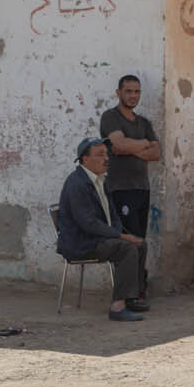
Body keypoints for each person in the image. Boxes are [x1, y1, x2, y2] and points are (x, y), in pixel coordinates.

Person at [53, 136, 149, 322]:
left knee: (139, 244)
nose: (106, 158)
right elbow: (88, 223)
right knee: (127, 248)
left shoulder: (99, 180)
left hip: (96, 237)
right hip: (81, 243)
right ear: (85, 160)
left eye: (106, 154)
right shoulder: (77, 184)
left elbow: (112, 214)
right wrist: (121, 236)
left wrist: (122, 233)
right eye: (99, 155)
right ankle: (117, 307)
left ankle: (132, 297)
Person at [99, 74, 161, 293]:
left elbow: (156, 153)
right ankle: (128, 293)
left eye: (137, 92)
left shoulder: (144, 122)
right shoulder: (110, 117)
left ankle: (137, 287)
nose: (133, 96)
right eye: (128, 91)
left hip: (142, 189)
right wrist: (144, 144)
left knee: (140, 241)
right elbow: (118, 144)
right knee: (129, 241)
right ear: (119, 93)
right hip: (120, 189)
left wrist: (132, 147)